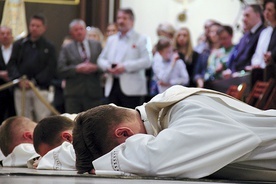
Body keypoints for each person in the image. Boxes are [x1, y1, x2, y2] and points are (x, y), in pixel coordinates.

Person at [73, 85, 276, 181]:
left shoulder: (186, 109)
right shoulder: (163, 112)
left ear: (124, 134)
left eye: (124, 149)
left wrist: (102, 165)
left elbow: (156, 159)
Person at [97, 8, 151, 108]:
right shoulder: (111, 39)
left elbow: (147, 61)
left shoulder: (141, 39)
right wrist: (108, 67)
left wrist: (125, 66)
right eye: (119, 18)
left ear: (132, 21)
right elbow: (100, 59)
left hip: (132, 89)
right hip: (112, 85)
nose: (121, 21)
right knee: (112, 119)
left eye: (124, 18)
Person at [7, 14, 57, 121]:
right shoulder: (19, 44)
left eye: (38, 26)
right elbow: (12, 64)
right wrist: (19, 79)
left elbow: (50, 68)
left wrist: (35, 81)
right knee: (23, 119)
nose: (34, 28)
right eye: (32, 25)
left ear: (44, 28)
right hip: (21, 87)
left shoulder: (49, 46)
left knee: (42, 118)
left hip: (40, 89)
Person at [58, 19, 103, 113]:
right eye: (76, 30)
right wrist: (76, 69)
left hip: (93, 93)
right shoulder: (66, 48)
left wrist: (95, 68)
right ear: (71, 32)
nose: (79, 32)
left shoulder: (97, 45)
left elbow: (105, 65)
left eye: (81, 29)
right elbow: (60, 69)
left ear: (85, 30)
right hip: (74, 94)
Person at [226, 4, 265, 75]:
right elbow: (237, 57)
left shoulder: (264, 33)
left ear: (258, 15)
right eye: (243, 16)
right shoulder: (245, 36)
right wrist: (232, 71)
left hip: (251, 74)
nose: (244, 19)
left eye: (247, 15)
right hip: (237, 74)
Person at [193, 22, 221, 88]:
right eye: (212, 32)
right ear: (208, 34)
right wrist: (199, 81)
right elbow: (196, 72)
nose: (214, 34)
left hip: (222, 84)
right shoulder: (204, 52)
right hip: (206, 84)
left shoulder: (227, 49)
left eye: (217, 31)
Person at [0, 26, 16, 123]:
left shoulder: (18, 49)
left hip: (15, 89)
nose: (5, 36)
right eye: (2, 34)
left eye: (7, 33)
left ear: (12, 36)